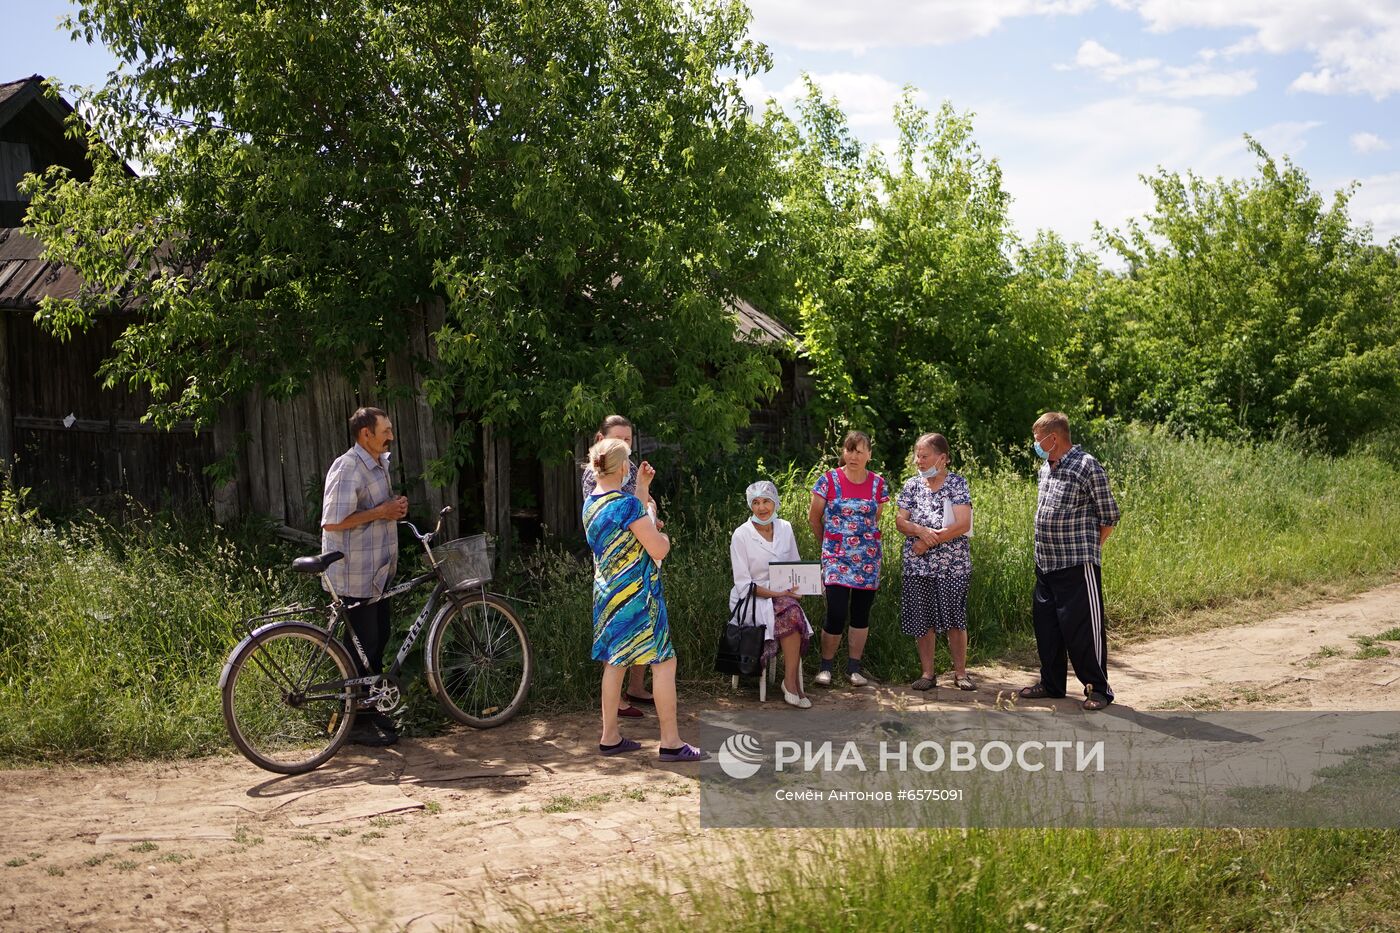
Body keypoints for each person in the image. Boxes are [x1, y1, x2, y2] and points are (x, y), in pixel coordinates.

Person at [584, 437, 708, 761]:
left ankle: (609, 736)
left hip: (608, 595)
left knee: (615, 662)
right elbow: (658, 548)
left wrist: (641, 490)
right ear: (623, 466)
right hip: (639, 595)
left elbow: (627, 530)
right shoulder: (627, 506)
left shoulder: (592, 503)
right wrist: (658, 526)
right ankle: (671, 742)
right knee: (664, 662)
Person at [1019, 412, 1121, 711]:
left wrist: (1089, 548)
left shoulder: (1087, 465)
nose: (1036, 444)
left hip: (1076, 563)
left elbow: (1109, 516)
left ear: (1054, 438)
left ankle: (1098, 689)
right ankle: (1052, 684)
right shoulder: (1045, 469)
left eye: (1038, 439)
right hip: (1046, 563)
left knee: (1083, 631)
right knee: (1047, 629)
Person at [320, 406, 410, 747]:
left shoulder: (377, 464)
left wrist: (394, 508)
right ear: (365, 434)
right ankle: (354, 722)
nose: (391, 435)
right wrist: (380, 512)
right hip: (353, 573)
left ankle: (367, 713)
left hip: (376, 572)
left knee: (376, 640)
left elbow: (375, 511)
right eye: (385, 430)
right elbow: (332, 521)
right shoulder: (347, 467)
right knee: (362, 645)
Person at [581, 415, 660, 719]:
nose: (627, 446)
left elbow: (640, 506)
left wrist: (646, 508)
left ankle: (635, 690)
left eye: (629, 440)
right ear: (602, 439)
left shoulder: (627, 467)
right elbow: (626, 512)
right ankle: (614, 710)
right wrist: (649, 520)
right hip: (617, 565)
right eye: (621, 440)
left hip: (638, 557)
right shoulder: (597, 473)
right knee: (618, 632)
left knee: (643, 622)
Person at [808, 431, 890, 687]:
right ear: (843, 451)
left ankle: (854, 668)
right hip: (836, 559)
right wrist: (830, 545)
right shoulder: (828, 480)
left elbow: (875, 519)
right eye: (849, 449)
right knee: (836, 610)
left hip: (868, 560)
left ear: (869, 455)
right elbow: (814, 518)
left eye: (859, 451)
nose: (853, 456)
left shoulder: (878, 483)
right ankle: (826, 667)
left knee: (860, 613)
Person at [894, 433, 975, 692]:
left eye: (924, 455)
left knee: (954, 619)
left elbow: (962, 524)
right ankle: (928, 674)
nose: (918, 460)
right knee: (922, 619)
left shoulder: (958, 484)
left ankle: (960, 673)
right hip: (918, 566)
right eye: (917, 455)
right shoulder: (912, 486)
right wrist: (919, 530)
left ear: (942, 458)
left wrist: (928, 540)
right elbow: (900, 521)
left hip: (953, 565)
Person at [729, 480, 814, 708]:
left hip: (784, 596)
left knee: (791, 609)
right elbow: (744, 586)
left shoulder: (785, 528)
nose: (761, 507)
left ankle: (790, 681)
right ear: (750, 505)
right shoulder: (741, 535)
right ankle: (792, 683)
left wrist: (800, 589)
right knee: (791, 612)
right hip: (752, 599)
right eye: (756, 502)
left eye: (766, 501)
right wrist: (778, 593)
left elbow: (794, 566)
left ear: (775, 502)